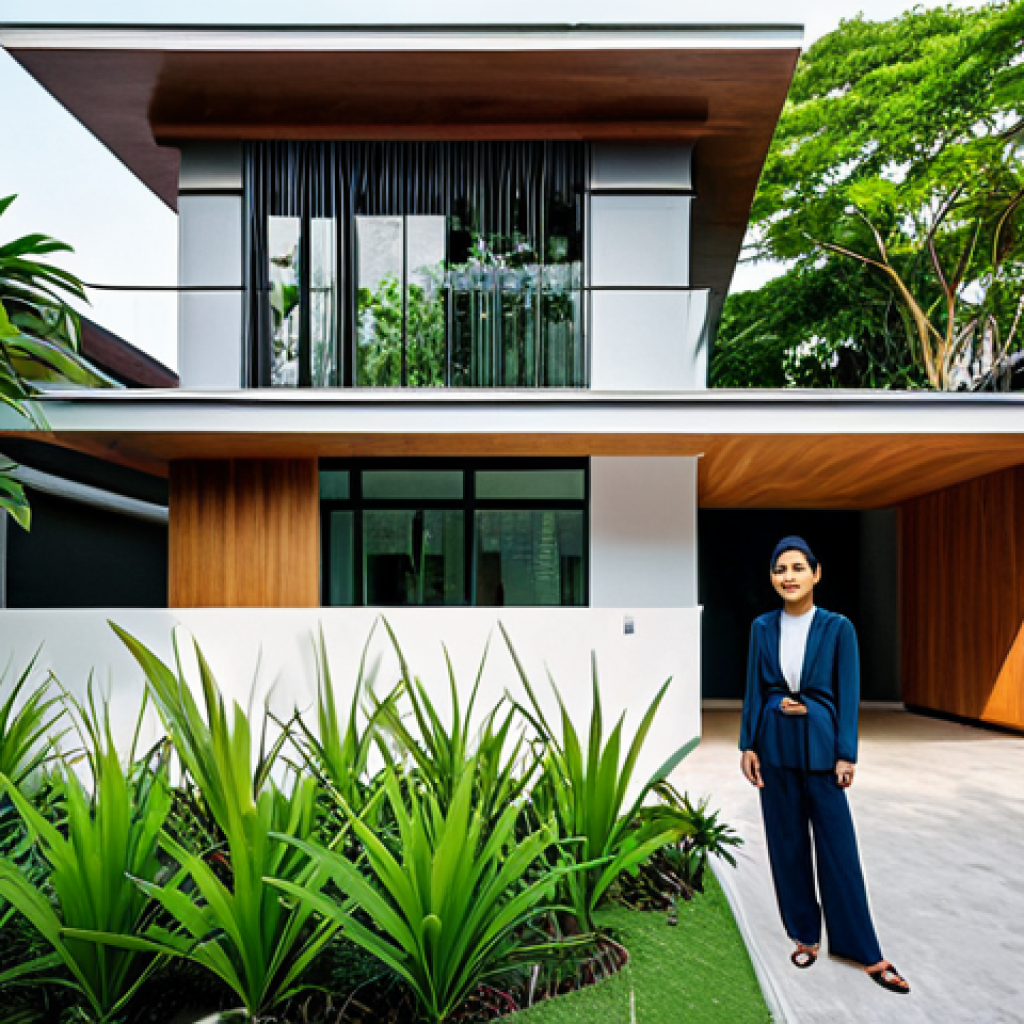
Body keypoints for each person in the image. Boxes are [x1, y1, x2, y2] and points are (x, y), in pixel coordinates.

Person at [739, 536, 910, 994]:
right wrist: (747, 745)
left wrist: (845, 752)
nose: (788, 577)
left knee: (839, 853)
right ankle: (804, 935)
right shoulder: (762, 628)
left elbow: (847, 693)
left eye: (797, 568)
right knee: (786, 846)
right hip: (774, 750)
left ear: (816, 574)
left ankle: (866, 953)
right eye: (780, 569)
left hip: (821, 751)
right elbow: (755, 690)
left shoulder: (838, 629)